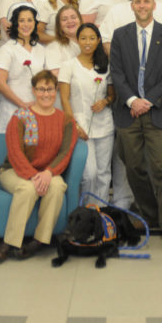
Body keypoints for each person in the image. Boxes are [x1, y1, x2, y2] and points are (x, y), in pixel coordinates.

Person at [110, 0, 162, 251]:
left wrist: (147, 101)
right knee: (134, 167)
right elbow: (116, 74)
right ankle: (151, 217)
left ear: (154, 5)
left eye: (146, 1)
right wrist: (132, 100)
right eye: (137, 1)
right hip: (127, 111)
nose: (142, 5)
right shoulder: (120, 35)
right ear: (132, 6)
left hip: (158, 111)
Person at [0, 70, 77, 262]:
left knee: (57, 187)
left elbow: (66, 152)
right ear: (33, 91)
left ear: (56, 90)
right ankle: (10, 242)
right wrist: (33, 175)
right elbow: (15, 152)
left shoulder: (65, 120)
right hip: (14, 171)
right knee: (28, 189)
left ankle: (39, 241)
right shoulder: (21, 116)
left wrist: (48, 173)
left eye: (49, 89)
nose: (45, 94)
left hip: (48, 171)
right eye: (40, 89)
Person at [59, 23, 118, 203]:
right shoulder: (69, 65)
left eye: (92, 38)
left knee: (103, 173)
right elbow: (64, 99)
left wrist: (105, 101)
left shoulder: (105, 65)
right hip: (81, 127)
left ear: (98, 40)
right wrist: (74, 125)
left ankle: (100, 212)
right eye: (83, 38)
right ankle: (84, 211)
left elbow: (112, 95)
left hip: (105, 125)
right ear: (77, 40)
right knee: (89, 173)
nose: (87, 42)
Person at [0, 2, 47, 132]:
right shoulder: (7, 49)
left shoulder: (41, 49)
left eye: (30, 20)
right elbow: (0, 83)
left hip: (36, 108)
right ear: (15, 24)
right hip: (12, 109)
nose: (26, 24)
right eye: (21, 20)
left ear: (35, 23)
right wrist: (21, 104)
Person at [45, 5, 82, 75]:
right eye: (64, 19)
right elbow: (55, 76)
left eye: (73, 17)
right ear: (59, 25)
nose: (70, 21)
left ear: (80, 20)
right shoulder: (53, 47)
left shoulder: (88, 44)